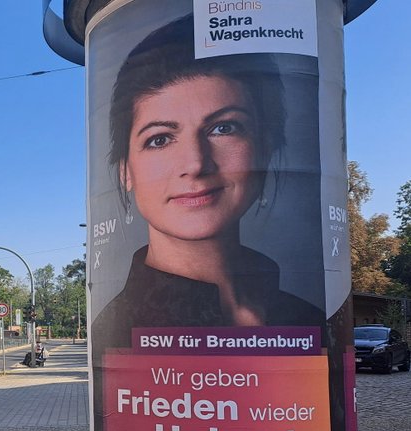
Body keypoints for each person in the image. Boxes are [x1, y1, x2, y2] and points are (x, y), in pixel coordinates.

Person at [94, 14, 324, 338]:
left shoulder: (311, 320)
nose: (196, 163)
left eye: (223, 128)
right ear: (126, 172)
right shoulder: (115, 333)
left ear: (266, 147)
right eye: (159, 139)